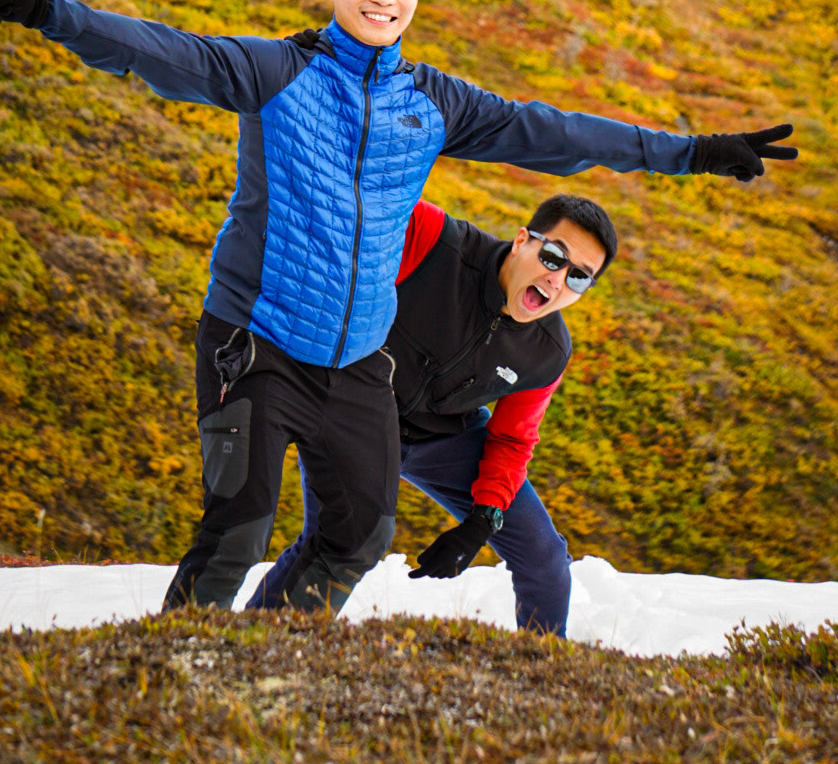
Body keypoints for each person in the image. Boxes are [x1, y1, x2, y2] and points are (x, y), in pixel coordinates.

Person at [0, 0, 796, 615]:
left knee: (359, 534)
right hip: (256, 341)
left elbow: (558, 132)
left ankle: (267, 665)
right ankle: (178, 668)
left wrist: (691, 152)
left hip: (356, 362)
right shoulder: (277, 70)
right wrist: (46, 10)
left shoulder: (434, 102)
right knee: (239, 523)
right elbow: (170, 52)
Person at [251, 192, 616, 635]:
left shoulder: (547, 353)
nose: (558, 279)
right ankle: (259, 644)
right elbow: (344, 215)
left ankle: (544, 674)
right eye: (554, 256)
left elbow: (512, 440)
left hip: (446, 436)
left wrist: (482, 521)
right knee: (345, 537)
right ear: (522, 240)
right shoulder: (435, 242)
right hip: (356, 411)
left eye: (579, 277)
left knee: (546, 559)